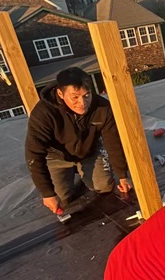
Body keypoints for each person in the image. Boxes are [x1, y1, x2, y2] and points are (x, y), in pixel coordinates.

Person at [25, 66, 132, 214]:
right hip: (57, 157)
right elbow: (33, 153)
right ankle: (72, 172)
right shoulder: (43, 113)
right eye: (75, 97)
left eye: (86, 95)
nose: (82, 103)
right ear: (60, 94)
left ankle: (83, 169)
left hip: (89, 152)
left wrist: (122, 175)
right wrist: (47, 193)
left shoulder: (102, 108)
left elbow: (113, 142)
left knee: (105, 187)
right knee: (62, 199)